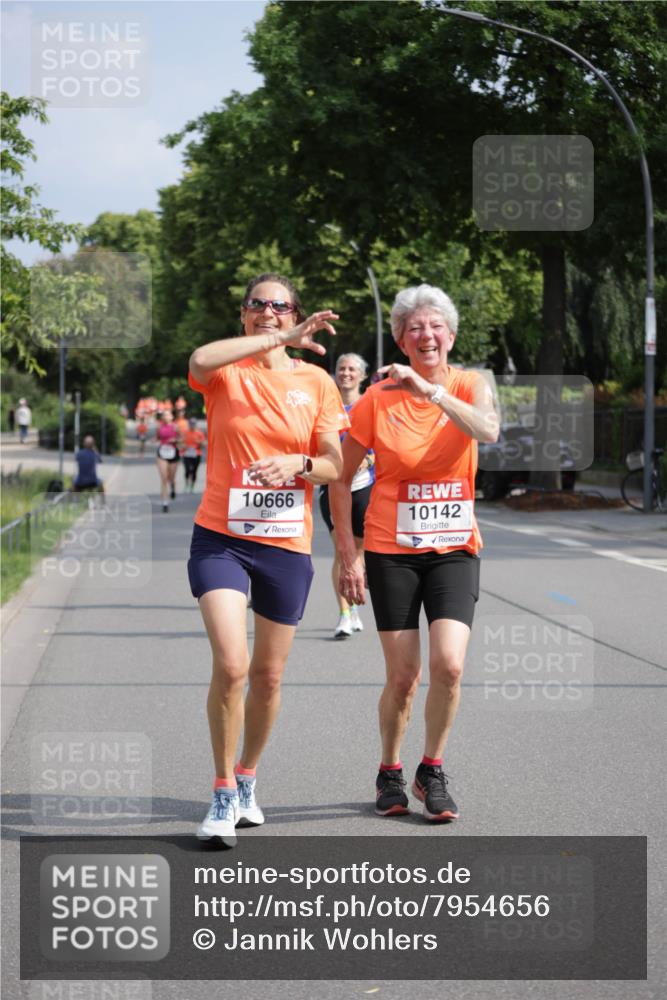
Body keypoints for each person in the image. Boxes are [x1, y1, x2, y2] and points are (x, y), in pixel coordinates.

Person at [187, 272, 348, 846]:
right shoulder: (227, 371)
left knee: (268, 674)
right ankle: (223, 790)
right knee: (232, 665)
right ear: (244, 314)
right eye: (257, 305)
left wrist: (298, 466)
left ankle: (249, 777)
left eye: (279, 306)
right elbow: (200, 357)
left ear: (295, 312)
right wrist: (274, 338)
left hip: (285, 545)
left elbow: (335, 465)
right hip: (221, 538)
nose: (267, 312)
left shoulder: (318, 382)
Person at [330, 284, 499, 823]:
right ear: (402, 340)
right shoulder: (377, 399)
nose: (425, 335)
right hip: (390, 551)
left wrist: (432, 393)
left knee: (449, 665)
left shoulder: (472, 385)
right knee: (404, 677)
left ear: (450, 336)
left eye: (434, 326)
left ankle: (432, 768)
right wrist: (345, 553)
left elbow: (489, 431)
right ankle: (389, 769)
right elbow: (339, 475)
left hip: (454, 549)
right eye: (414, 328)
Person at [319, 353, 375, 638]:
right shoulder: (326, 404)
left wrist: (369, 459)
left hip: (365, 487)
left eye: (352, 369)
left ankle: (354, 606)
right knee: (342, 551)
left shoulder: (371, 403)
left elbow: (383, 439)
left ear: (363, 375)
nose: (346, 373)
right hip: (331, 488)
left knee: (359, 553)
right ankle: (344, 614)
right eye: (341, 368)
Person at [156, 411, 181, 512]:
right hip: (162, 453)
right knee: (164, 478)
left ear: (172, 417)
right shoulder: (159, 427)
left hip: (173, 453)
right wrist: (155, 439)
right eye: (164, 415)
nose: (166, 417)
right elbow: (158, 437)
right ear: (162, 417)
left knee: (171, 478)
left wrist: (175, 440)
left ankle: (173, 488)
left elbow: (182, 438)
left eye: (168, 415)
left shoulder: (175, 427)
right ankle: (165, 503)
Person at [180, 416, 207, 492]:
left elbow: (204, 444)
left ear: (196, 424)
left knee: (194, 470)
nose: (192, 425)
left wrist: (200, 443)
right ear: (189, 424)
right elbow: (180, 443)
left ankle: (192, 486)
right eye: (191, 424)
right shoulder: (185, 432)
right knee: (187, 470)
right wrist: (183, 446)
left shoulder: (199, 433)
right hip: (187, 453)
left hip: (196, 454)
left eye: (193, 424)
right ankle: (186, 484)